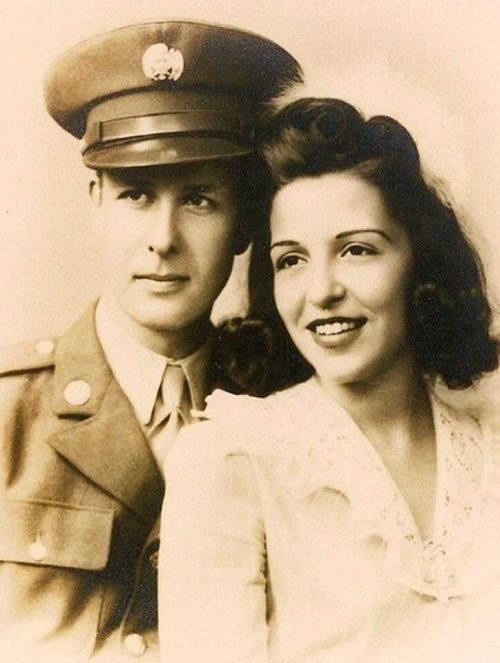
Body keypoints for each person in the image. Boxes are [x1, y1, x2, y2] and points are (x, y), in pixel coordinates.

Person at [0, 21, 301, 662]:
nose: (163, 239)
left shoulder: (291, 413)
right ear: (95, 203)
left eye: (199, 200)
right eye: (136, 195)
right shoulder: (9, 415)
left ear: (245, 223)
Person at [159, 98, 500, 662]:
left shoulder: (490, 450)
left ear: (422, 262)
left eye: (356, 250)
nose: (320, 292)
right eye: (291, 260)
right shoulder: (230, 457)